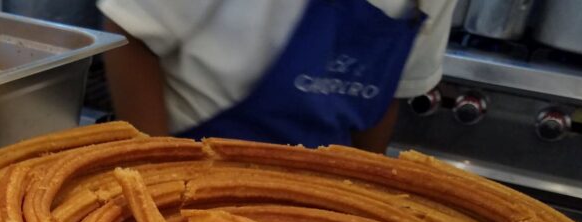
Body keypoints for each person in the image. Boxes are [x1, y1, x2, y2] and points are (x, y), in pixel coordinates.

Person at [99, 0, 457, 152]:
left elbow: (395, 89)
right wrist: (151, 171)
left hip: (323, 189)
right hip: (191, 163)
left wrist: (361, 196)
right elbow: (130, 29)